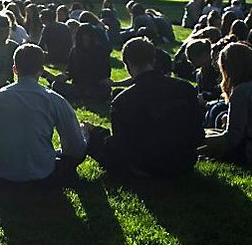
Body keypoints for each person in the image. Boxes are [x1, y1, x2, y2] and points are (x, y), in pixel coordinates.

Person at [86, 37, 203, 178]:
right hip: (184, 163)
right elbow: (197, 132)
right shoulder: (185, 88)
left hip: (146, 167)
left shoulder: (123, 101)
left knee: (91, 136)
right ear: (153, 60)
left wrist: (96, 134)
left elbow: (121, 149)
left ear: (127, 64)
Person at [0, 44, 86, 183]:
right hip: (43, 174)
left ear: (15, 69)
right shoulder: (54, 99)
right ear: (41, 70)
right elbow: (76, 148)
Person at [51, 23, 111, 104]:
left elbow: (106, 71)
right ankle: (86, 95)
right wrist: (65, 76)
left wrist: (103, 80)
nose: (85, 38)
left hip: (95, 85)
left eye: (87, 35)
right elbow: (70, 70)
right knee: (56, 85)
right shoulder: (74, 51)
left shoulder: (100, 50)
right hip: (78, 86)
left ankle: (87, 95)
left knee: (105, 90)